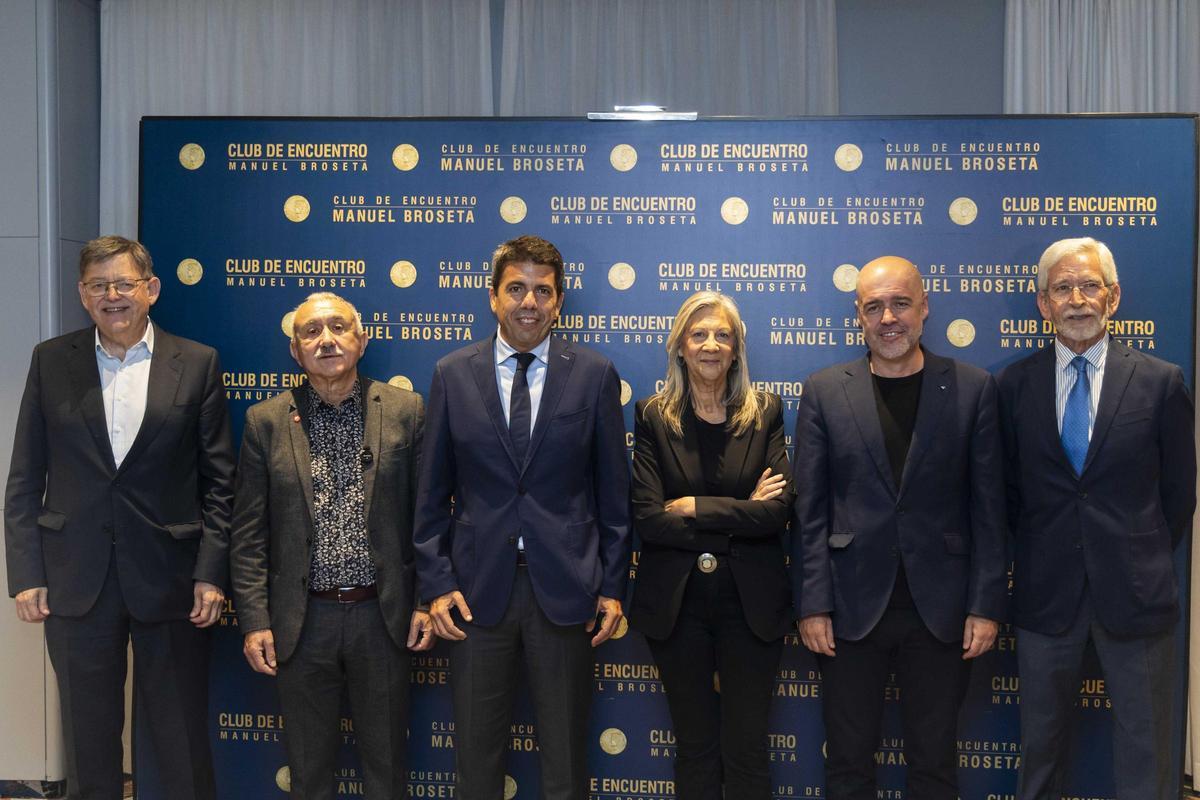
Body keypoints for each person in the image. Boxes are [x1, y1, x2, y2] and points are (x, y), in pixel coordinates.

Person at [4, 235, 234, 800]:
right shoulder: (51, 361)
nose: (113, 296)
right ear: (83, 296)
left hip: (172, 578)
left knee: (178, 736)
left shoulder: (197, 363)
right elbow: (25, 477)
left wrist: (211, 572)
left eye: (124, 283)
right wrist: (27, 572)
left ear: (150, 289)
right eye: (98, 286)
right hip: (76, 579)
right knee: (87, 739)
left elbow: (221, 484)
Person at [414, 234, 631, 800]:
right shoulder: (451, 374)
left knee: (564, 764)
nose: (528, 302)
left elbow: (613, 497)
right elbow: (431, 496)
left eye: (542, 291)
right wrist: (436, 587)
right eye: (516, 289)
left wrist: (610, 587)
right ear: (493, 297)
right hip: (474, 597)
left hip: (565, 593)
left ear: (558, 303)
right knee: (476, 765)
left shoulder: (593, 373)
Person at [792, 255, 1007, 800]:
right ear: (858, 316)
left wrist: (984, 603)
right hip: (848, 608)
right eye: (874, 306)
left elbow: (989, 509)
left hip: (943, 611)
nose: (888, 317)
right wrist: (813, 602)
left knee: (934, 766)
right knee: (847, 764)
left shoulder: (972, 387)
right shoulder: (823, 390)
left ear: (925, 307)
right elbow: (810, 510)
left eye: (901, 303)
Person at [998, 237, 1195, 800]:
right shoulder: (1013, 386)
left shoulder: (1161, 382)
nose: (1077, 299)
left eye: (1089, 286)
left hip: (1136, 595)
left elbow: (1179, 495)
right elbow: (1006, 495)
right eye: (1063, 288)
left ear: (1114, 297)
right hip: (1044, 597)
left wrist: (1137, 553)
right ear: (1043, 304)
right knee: (1040, 750)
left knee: (1147, 751)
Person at [230, 292, 433, 800]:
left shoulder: (406, 411)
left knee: (386, 769)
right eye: (311, 333)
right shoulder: (266, 421)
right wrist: (255, 620)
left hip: (382, 618)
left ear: (361, 340)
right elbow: (249, 532)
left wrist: (427, 601)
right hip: (302, 622)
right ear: (295, 351)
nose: (327, 341)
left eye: (339, 328)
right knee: (308, 769)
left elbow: (429, 520)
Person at [627, 291, 794, 800]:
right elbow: (649, 520)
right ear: (679, 346)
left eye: (723, 335)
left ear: (738, 347)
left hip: (752, 604)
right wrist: (741, 511)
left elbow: (777, 513)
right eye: (699, 334)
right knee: (695, 748)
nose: (711, 345)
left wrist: (696, 507)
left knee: (746, 751)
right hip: (678, 606)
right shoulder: (654, 414)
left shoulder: (764, 410)